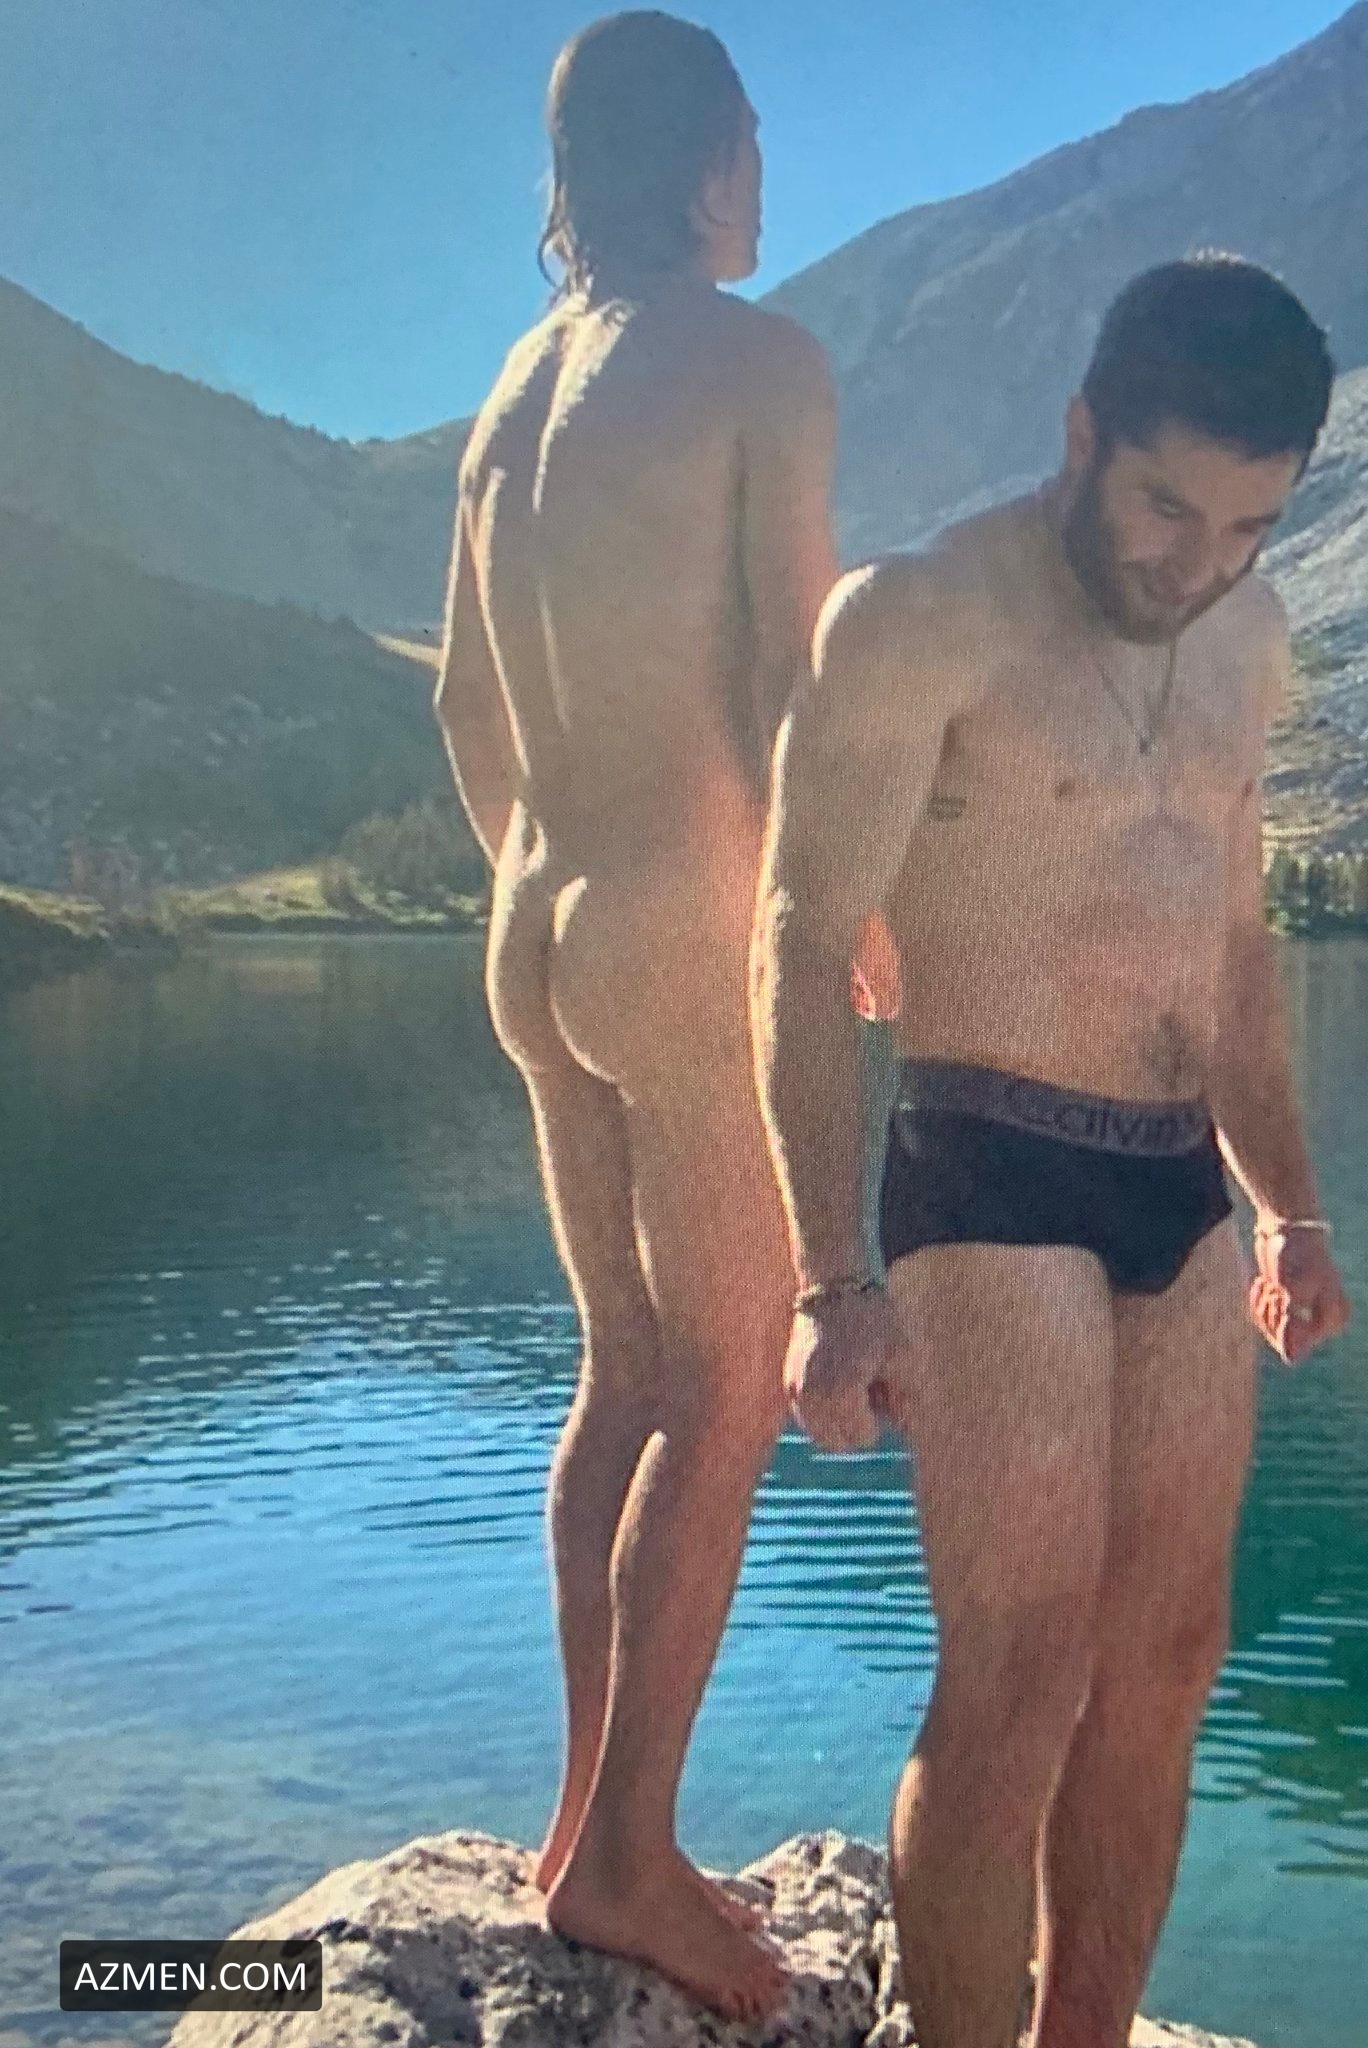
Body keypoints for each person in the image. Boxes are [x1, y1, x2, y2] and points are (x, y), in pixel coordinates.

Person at [752, 252, 1353, 2048]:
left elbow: (1232, 954)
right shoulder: (920, 616)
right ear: (1083, 434)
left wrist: (1292, 1208)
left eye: (1248, 525)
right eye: (1168, 506)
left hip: (1178, 1179)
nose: (1198, 562)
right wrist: (828, 1277)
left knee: (1169, 1662)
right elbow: (799, 936)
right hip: (985, 1159)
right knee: (1017, 1676)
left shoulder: (1246, 639)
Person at [433, 10, 847, 2023]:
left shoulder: (510, 396)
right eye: (754, 142)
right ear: (705, 161)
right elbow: (791, 677)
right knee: (736, 1386)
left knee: (624, 1373)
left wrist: (562, 886)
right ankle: (622, 1857)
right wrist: (832, 916)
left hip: (536, 922)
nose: (767, 180)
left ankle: (591, 1820)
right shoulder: (755, 360)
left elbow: (466, 706)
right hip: (681, 925)